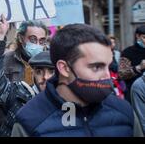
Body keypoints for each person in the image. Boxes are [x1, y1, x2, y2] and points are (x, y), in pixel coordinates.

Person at [11, 24, 144, 137]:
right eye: (96, 67)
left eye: (108, 66)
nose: (107, 76)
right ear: (64, 68)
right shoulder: (30, 121)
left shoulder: (125, 113)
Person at [0, 16, 55, 137]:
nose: (46, 77)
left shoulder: (54, 61)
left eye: (41, 41)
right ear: (21, 38)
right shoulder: (8, 64)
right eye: (32, 39)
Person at [119, 25, 145, 101]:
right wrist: (139, 67)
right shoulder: (128, 52)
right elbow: (121, 74)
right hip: (134, 94)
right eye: (144, 37)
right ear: (138, 36)